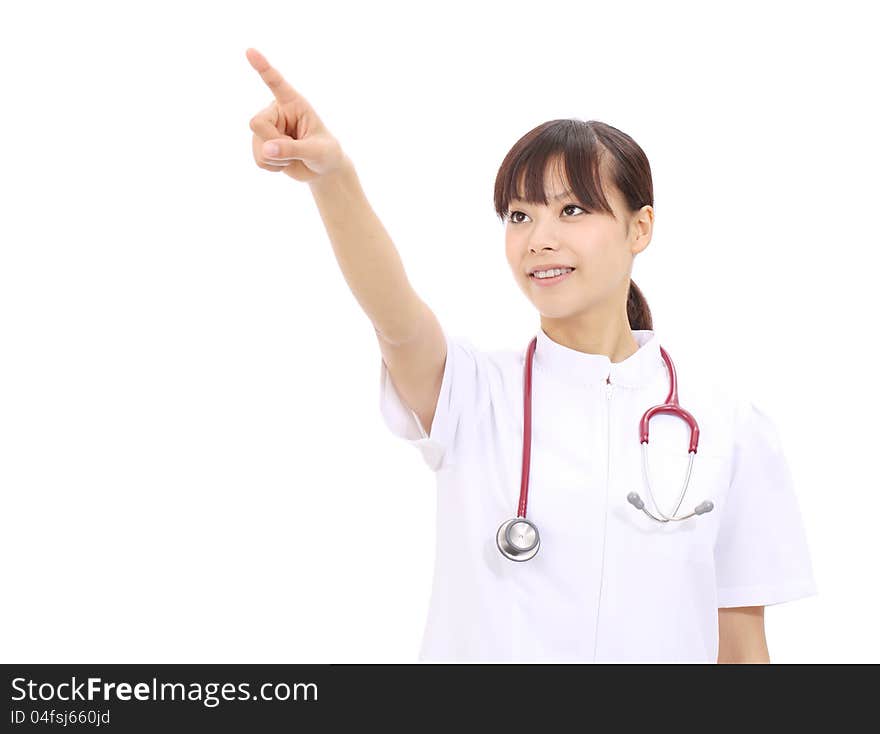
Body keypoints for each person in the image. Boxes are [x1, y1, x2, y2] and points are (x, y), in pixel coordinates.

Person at [245, 48, 817, 664]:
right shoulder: (470, 394)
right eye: (520, 214)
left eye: (572, 209)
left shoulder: (729, 427)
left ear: (640, 228)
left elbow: (741, 646)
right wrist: (334, 181)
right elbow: (397, 319)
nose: (540, 237)